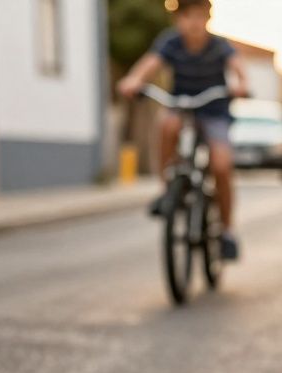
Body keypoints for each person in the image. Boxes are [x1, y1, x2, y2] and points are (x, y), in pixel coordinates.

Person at [117, 0, 248, 259]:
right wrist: (134, 79)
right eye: (187, 16)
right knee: (167, 124)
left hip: (214, 109)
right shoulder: (171, 42)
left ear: (208, 19)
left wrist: (241, 83)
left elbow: (237, 67)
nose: (194, 22)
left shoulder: (219, 46)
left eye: (200, 16)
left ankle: (227, 231)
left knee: (221, 165)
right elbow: (149, 64)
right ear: (178, 19)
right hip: (181, 105)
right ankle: (168, 190)